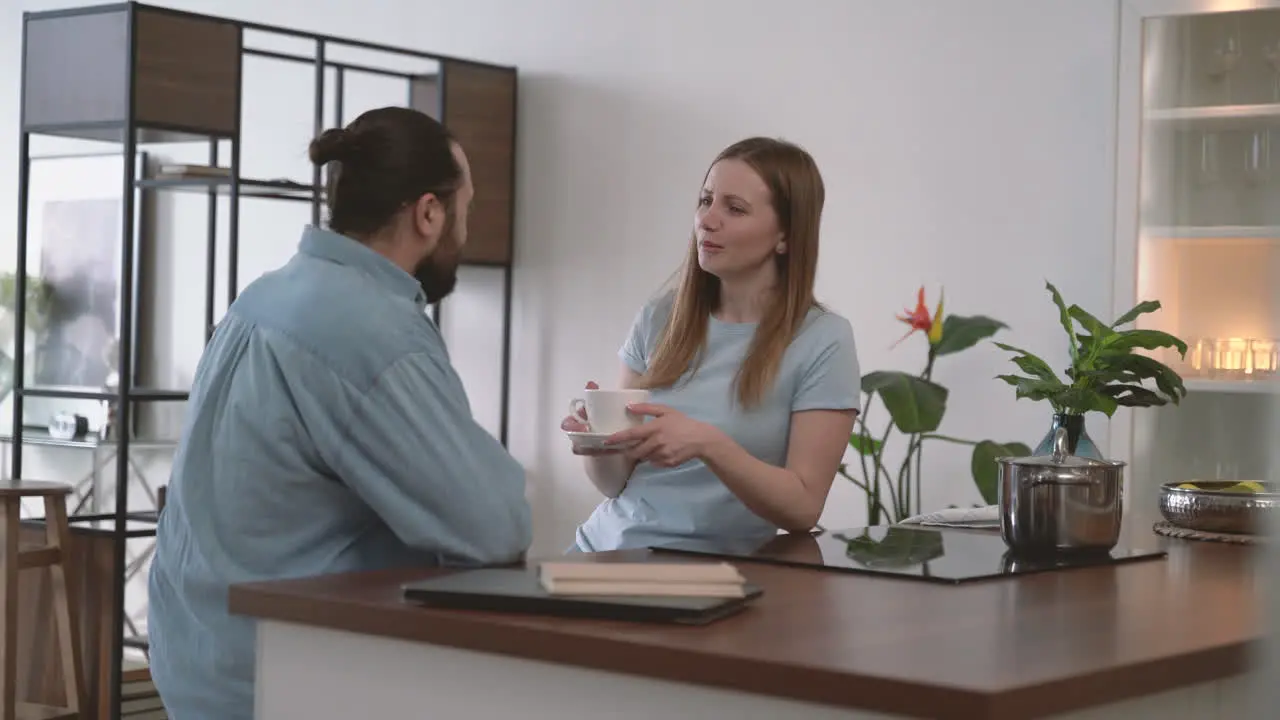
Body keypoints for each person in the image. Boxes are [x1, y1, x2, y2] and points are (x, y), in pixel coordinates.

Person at [148, 106, 531, 720]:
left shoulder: (263, 296)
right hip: (281, 676)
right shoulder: (372, 329)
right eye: (466, 209)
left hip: (194, 658)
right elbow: (495, 525)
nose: (464, 227)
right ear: (429, 212)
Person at [563, 136, 861, 553]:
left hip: (713, 576)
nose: (707, 219)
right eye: (705, 201)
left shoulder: (823, 340)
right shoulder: (659, 317)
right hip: (604, 550)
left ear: (785, 236)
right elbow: (614, 486)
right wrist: (596, 443)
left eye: (734, 208)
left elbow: (803, 508)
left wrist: (707, 444)